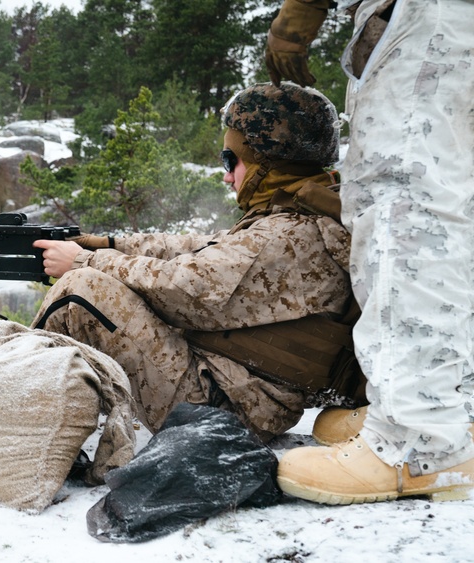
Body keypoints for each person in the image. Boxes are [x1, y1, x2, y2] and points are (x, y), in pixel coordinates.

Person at [28, 82, 356, 444]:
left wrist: (83, 261)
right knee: (89, 283)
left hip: (220, 407)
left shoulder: (285, 236)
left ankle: (1, 395)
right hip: (238, 393)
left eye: (232, 161)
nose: (227, 175)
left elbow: (181, 288)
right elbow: (203, 247)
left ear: (268, 165)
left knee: (79, 292)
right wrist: (111, 243)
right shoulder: (304, 218)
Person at [265, 0, 474, 504]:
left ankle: (419, 440)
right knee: (448, 206)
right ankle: (450, 410)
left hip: (434, 19)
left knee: (407, 206)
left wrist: (303, 7)